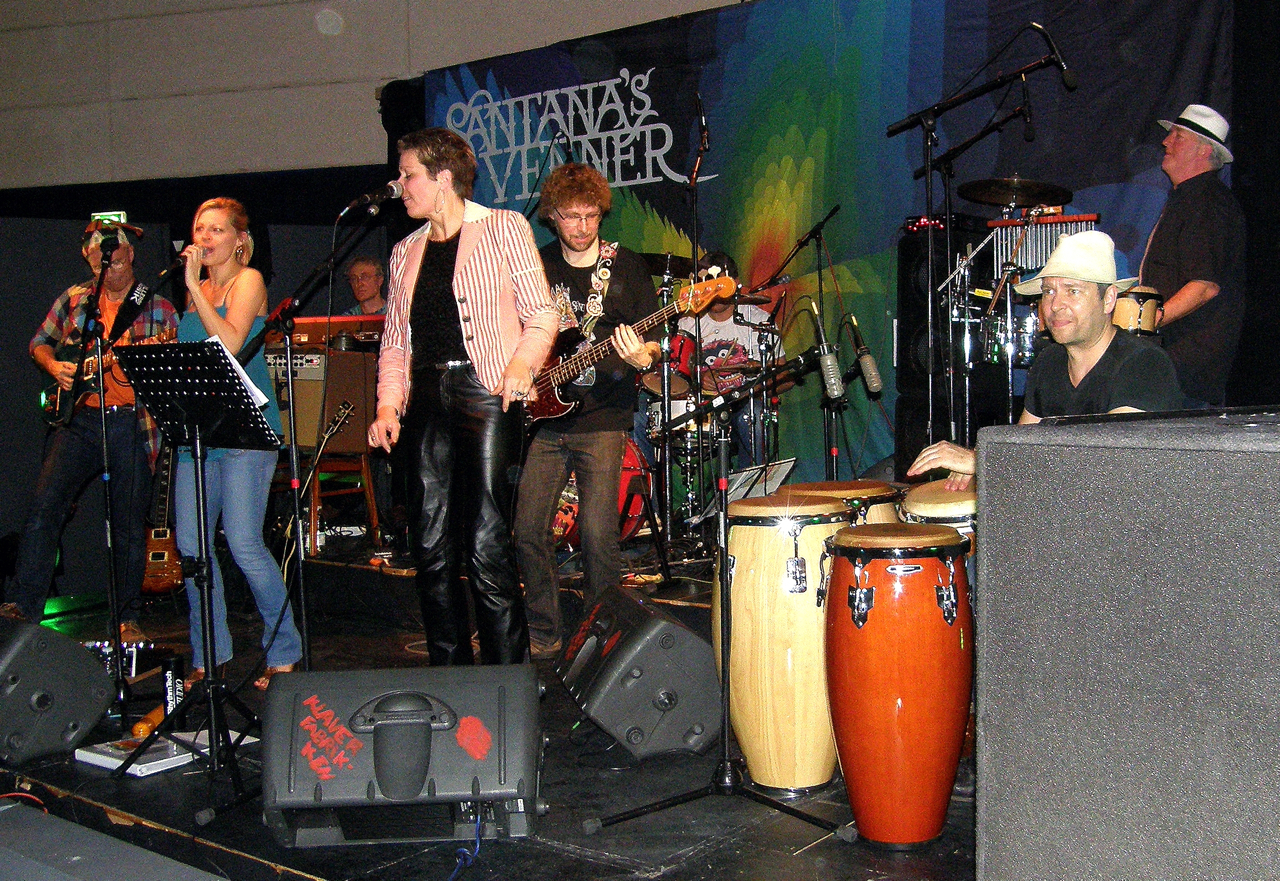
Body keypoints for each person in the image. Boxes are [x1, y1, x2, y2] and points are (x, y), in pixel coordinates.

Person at [367, 128, 558, 666]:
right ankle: (450, 675)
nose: (399, 185)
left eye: (408, 175)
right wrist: (387, 405)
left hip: (484, 393)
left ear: (443, 177)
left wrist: (521, 364)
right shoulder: (404, 252)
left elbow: (542, 313)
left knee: (485, 543)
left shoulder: (502, 227)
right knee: (429, 547)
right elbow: (395, 342)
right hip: (425, 398)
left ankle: (508, 679)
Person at [1, 222, 178, 642]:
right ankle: (23, 605)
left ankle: (127, 618)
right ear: (88, 260)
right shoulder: (74, 299)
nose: (109, 269)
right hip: (78, 420)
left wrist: (143, 360)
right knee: (45, 507)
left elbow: (170, 369)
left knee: (128, 525)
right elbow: (39, 342)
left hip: (131, 424)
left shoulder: (158, 308)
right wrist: (54, 366)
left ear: (130, 256)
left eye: (115, 261)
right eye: (100, 262)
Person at [512, 162, 660, 658]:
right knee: (528, 529)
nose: (582, 226)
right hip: (544, 416)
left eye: (591, 216)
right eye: (571, 216)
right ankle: (544, 632)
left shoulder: (626, 266)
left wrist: (644, 357)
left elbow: (654, 339)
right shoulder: (537, 265)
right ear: (551, 215)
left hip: (603, 416)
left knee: (599, 536)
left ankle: (601, 637)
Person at [908, 230, 1183, 488]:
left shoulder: (1144, 363)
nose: (1055, 305)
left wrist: (983, 460)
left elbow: (1109, 463)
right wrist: (985, 462)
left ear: (1109, 299)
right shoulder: (1049, 361)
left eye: (1072, 291)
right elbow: (1022, 449)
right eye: (1049, 291)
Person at [174, 197, 302, 691]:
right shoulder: (197, 291)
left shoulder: (248, 281)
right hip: (200, 430)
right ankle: (210, 653)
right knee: (192, 548)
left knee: (245, 542)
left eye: (216, 230)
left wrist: (193, 288)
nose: (204, 238)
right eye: (199, 229)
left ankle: (284, 649)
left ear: (239, 240)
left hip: (246, 428)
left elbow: (229, 342)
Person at [1139, 103, 1246, 406]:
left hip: (1185, 363)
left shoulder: (1206, 203)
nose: (1166, 142)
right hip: (1177, 360)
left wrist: (1146, 321)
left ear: (1204, 150)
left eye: (1178, 136)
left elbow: (1204, 286)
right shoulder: (1192, 199)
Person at [678, 251, 772, 467]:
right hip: (702, 405)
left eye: (718, 284)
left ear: (734, 283)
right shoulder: (687, 323)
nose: (713, 292)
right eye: (706, 285)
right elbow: (677, 376)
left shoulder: (758, 320)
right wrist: (696, 381)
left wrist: (748, 388)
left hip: (743, 402)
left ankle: (751, 484)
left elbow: (782, 375)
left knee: (754, 416)